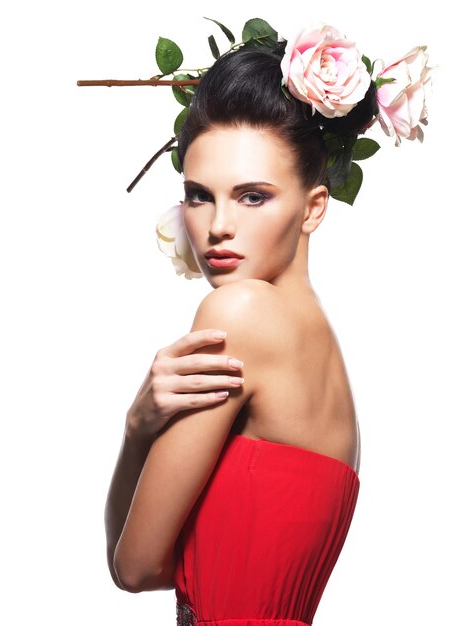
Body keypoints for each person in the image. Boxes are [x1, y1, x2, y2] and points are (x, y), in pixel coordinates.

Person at [104, 25, 432, 626]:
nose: (218, 227)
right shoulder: (323, 355)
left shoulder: (240, 314)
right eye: (200, 196)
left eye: (253, 196)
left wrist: (136, 428)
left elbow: (135, 567)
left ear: (313, 208)